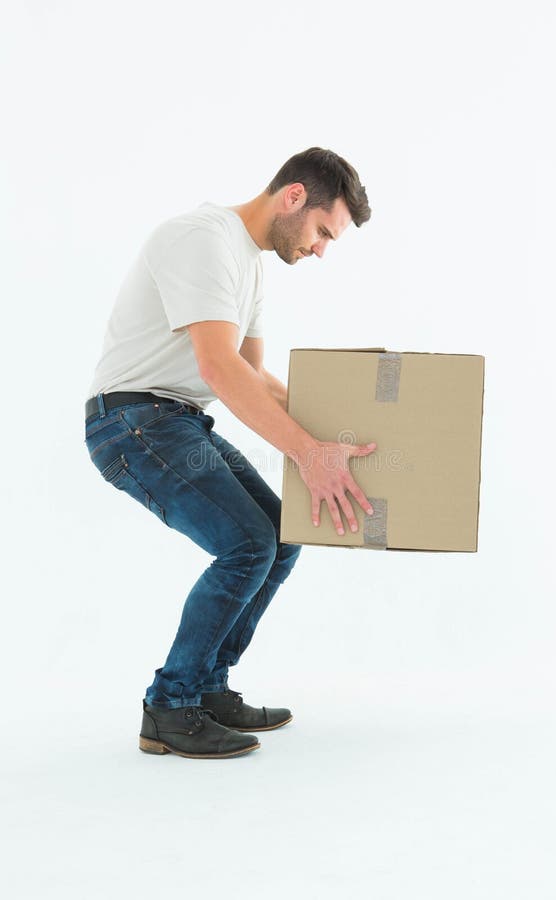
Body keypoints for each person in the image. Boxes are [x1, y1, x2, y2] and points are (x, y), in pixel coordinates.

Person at [84, 146, 376, 760]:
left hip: (175, 421)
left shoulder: (251, 266)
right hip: (131, 421)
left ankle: (207, 690)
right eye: (324, 232)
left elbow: (253, 374)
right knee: (247, 544)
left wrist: (337, 435)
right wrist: (306, 455)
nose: (322, 250)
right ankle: (169, 706)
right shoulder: (202, 238)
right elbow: (218, 369)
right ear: (294, 196)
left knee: (280, 536)